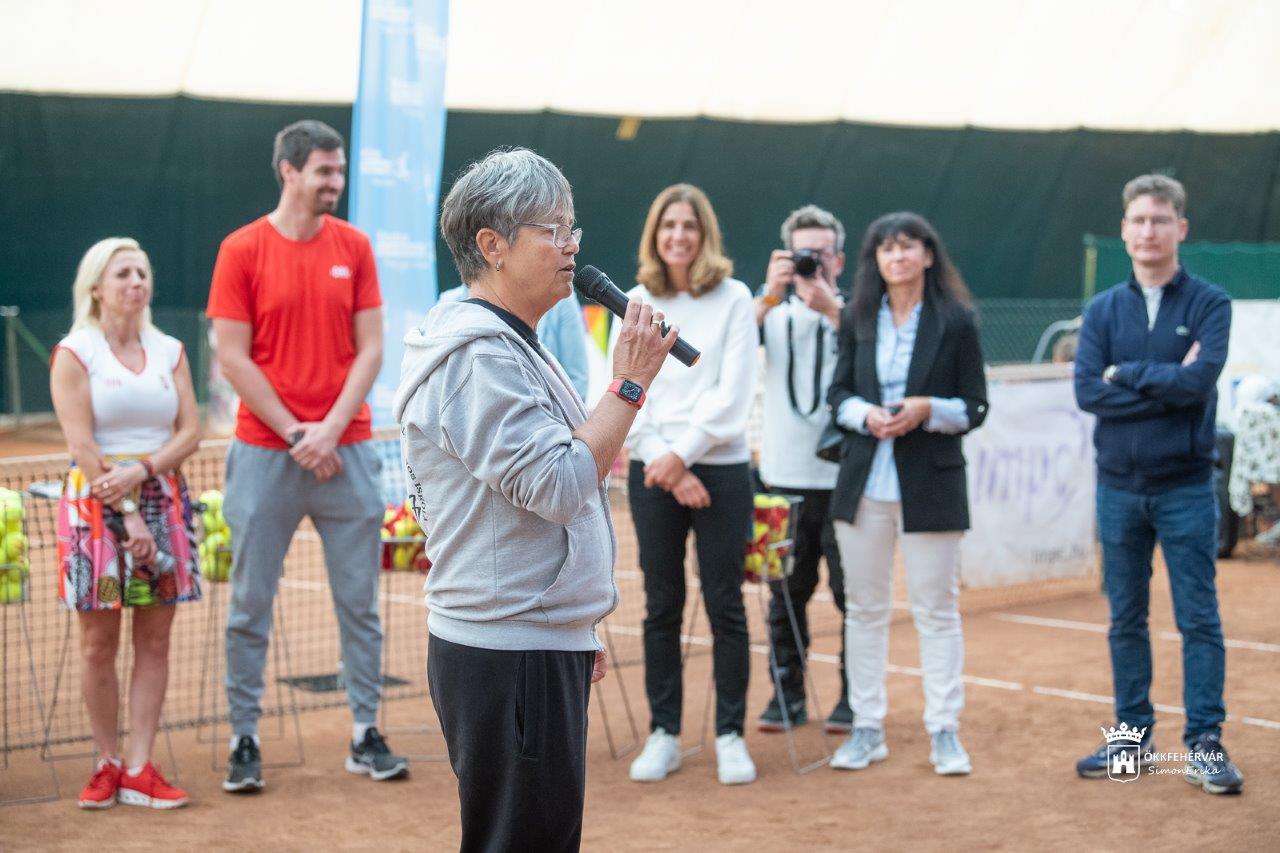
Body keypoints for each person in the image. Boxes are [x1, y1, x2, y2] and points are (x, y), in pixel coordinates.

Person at [394, 147, 677, 852]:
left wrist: (569, 621)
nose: (572, 245)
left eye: (571, 226)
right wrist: (630, 385)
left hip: (523, 637)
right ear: (493, 245)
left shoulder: (508, 341)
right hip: (507, 648)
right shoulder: (479, 358)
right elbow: (555, 484)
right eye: (554, 228)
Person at [207, 119, 406, 792]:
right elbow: (232, 357)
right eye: (325, 171)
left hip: (346, 453)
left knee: (361, 604)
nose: (336, 182)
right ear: (289, 171)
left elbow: (372, 348)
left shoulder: (355, 246)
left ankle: (364, 732)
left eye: (340, 170)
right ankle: (244, 736)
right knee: (248, 606)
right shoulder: (240, 249)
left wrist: (328, 429)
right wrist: (298, 431)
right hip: (266, 453)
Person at [1073, 174, 1244, 794]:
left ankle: (1204, 745)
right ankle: (1132, 740)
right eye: (1139, 221)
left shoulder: (1210, 303)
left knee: (1198, 618)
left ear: (1181, 229)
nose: (1149, 231)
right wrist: (1165, 380)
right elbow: (1088, 392)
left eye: (1160, 220)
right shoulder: (1101, 311)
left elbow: (1198, 387)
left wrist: (1129, 376)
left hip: (1186, 489)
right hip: (1117, 489)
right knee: (1126, 618)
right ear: (1124, 230)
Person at [826, 212, 988, 776]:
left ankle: (945, 730)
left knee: (937, 609)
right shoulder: (857, 316)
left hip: (933, 485)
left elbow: (975, 407)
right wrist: (865, 414)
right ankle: (866, 728)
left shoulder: (958, 320)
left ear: (927, 254)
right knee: (864, 610)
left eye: (907, 246)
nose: (896, 257)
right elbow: (838, 394)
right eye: (886, 248)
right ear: (875, 260)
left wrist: (926, 410)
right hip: (863, 485)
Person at [613, 184, 759, 785]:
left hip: (720, 470)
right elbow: (622, 386)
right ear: (655, 234)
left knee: (725, 604)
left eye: (689, 226)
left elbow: (732, 394)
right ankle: (664, 734)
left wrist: (682, 458)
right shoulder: (637, 301)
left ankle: (729, 736)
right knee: (661, 606)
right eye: (668, 225)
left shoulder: (736, 298)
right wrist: (663, 463)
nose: (678, 235)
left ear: (704, 235)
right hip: (656, 471)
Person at [50, 237, 201, 810]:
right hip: (97, 516)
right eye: (123, 274)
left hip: (164, 501)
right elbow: (81, 444)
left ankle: (139, 765)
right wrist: (130, 512)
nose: (136, 282)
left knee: (155, 639)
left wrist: (144, 471)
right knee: (98, 640)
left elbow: (190, 431)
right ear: (96, 287)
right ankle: (106, 761)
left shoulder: (171, 351)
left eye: (142, 271)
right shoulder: (76, 352)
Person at [753, 204, 851, 733]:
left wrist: (833, 309)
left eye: (821, 252)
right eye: (802, 253)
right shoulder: (770, 314)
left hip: (843, 483)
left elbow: (878, 359)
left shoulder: (857, 315)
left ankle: (854, 699)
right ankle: (786, 695)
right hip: (779, 478)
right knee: (782, 596)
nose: (814, 262)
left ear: (839, 257)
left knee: (850, 596)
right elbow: (728, 349)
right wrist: (770, 294)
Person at [437, 284, 589, 399]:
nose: (572, 247)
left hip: (551, 429)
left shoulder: (562, 301)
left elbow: (577, 381)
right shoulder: (448, 303)